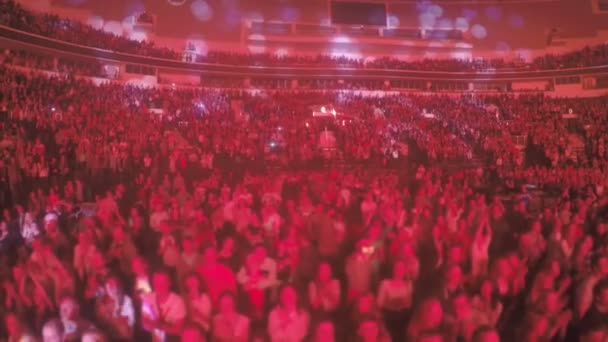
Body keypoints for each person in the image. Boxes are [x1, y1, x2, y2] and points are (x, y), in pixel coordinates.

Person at [141, 269, 186, 341]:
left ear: (169, 283)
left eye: (162, 282)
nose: (158, 285)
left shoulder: (177, 301)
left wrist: (156, 325)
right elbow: (144, 323)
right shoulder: (148, 298)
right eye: (156, 281)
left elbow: (178, 330)